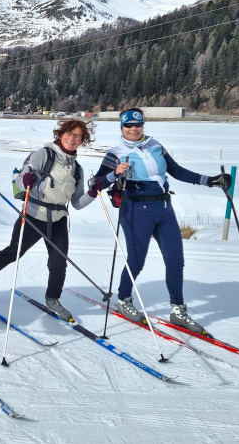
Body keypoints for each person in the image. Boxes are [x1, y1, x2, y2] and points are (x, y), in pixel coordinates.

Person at [91, 107, 231, 334]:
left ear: (143, 125)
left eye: (138, 125)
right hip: (136, 209)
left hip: (164, 208)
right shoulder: (115, 153)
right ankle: (124, 300)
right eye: (129, 126)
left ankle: (178, 311)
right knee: (136, 261)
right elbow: (96, 184)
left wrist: (210, 181)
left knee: (176, 261)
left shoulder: (156, 145)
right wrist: (115, 173)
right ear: (122, 127)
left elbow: (177, 171)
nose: (134, 129)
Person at [0, 119, 97, 323]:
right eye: (70, 133)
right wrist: (26, 180)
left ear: (82, 141)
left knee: (58, 262)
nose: (73, 139)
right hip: (33, 215)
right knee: (15, 252)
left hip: (58, 219)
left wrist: (93, 192)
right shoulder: (43, 155)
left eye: (78, 136)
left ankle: (53, 299)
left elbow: (77, 203)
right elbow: (22, 179)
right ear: (61, 133)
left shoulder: (77, 169)